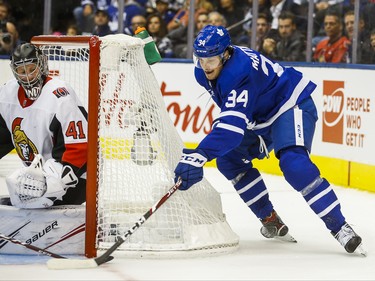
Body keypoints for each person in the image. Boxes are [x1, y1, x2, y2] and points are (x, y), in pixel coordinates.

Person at [173, 25, 366, 255]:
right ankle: (270, 218)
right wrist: (207, 152)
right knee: (227, 159)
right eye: (201, 59)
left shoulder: (239, 72)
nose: (205, 67)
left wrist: (200, 154)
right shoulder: (204, 70)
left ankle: (340, 227)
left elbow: (232, 130)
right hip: (260, 120)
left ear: (226, 54)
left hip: (290, 104)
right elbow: (233, 121)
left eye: (211, 60)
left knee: (294, 164)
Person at [0, 43, 88, 209]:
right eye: (21, 71)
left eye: (31, 68)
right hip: (40, 175)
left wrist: (54, 182)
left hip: (77, 176)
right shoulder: (6, 94)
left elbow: (80, 147)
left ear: (42, 65)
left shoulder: (60, 95)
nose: (27, 76)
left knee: (21, 203)